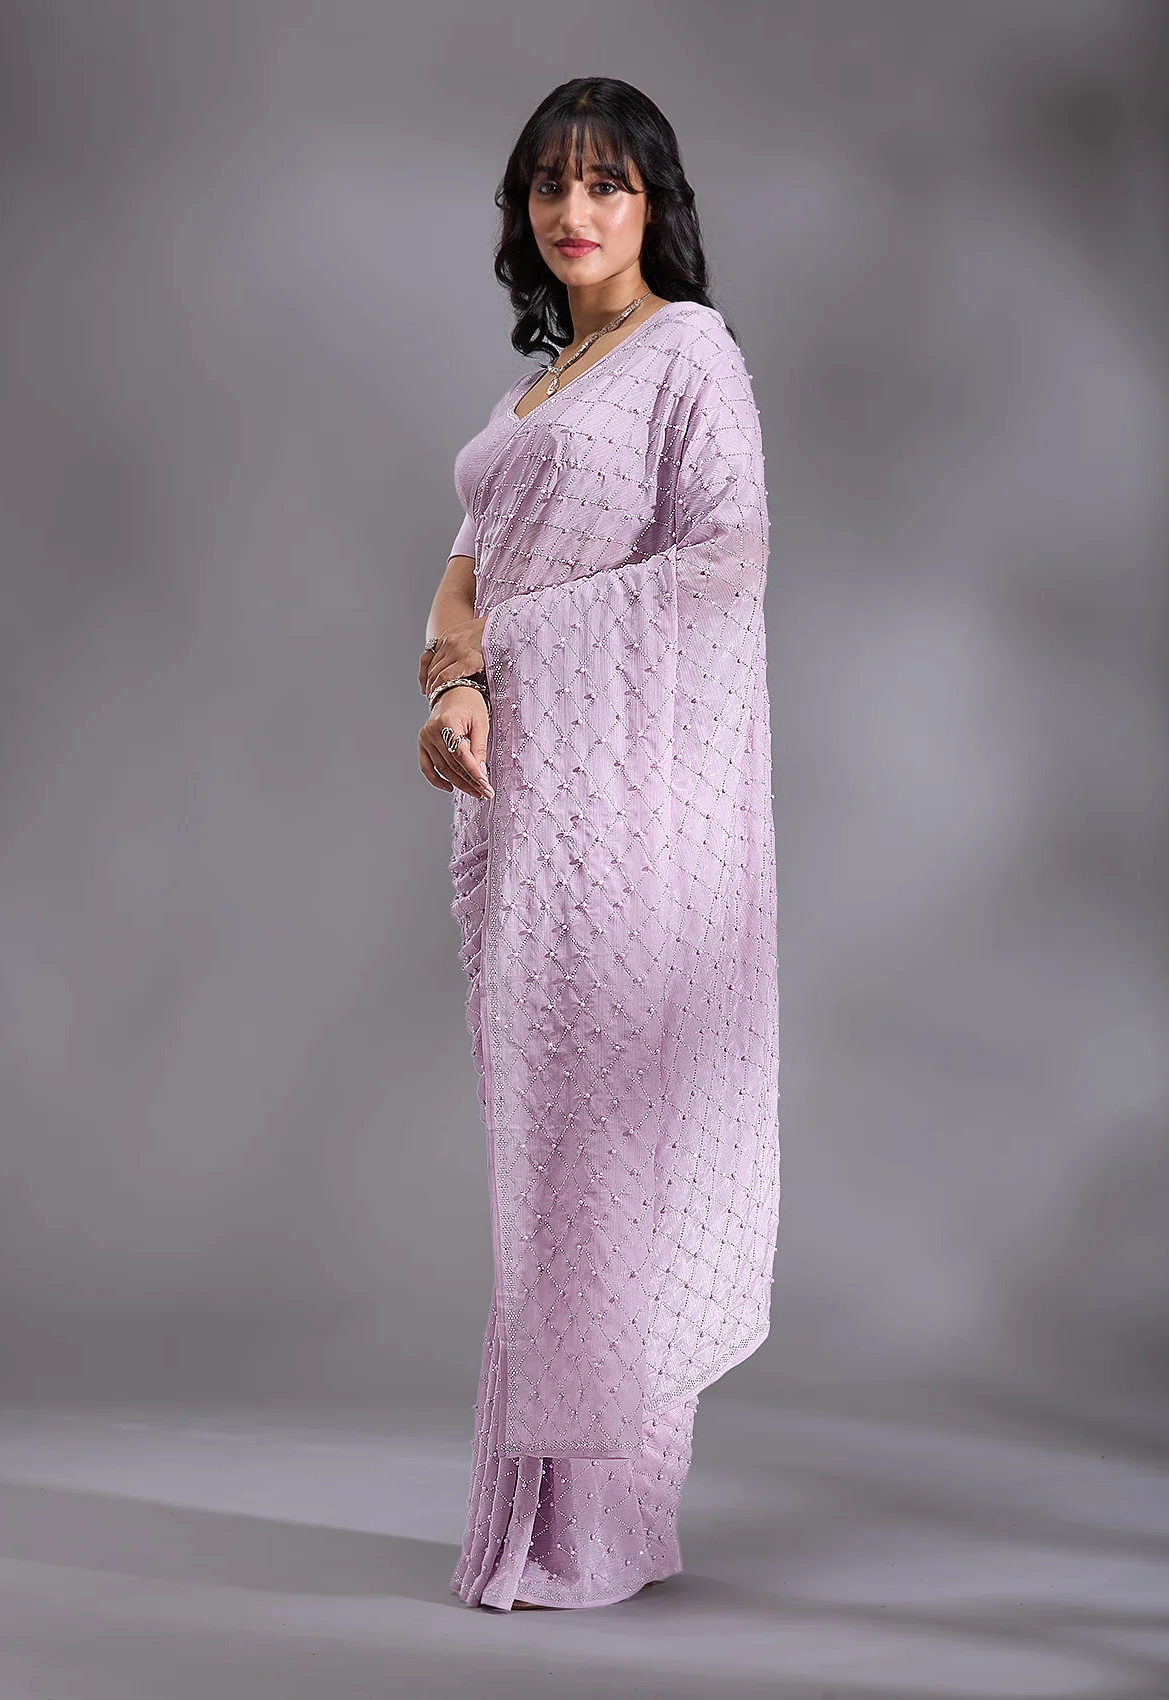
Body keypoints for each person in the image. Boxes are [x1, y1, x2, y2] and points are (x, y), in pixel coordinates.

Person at [418, 76, 780, 1611]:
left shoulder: (688, 355)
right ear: (524, 209)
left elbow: (728, 562)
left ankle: (602, 1526)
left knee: (605, 1146)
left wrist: (518, 647)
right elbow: (464, 572)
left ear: (653, 206)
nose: (575, 211)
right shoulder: (541, 392)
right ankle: (540, 1518)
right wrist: (457, 676)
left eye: (606, 184)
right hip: (529, 824)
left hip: (626, 828)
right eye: (550, 185)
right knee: (544, 1149)